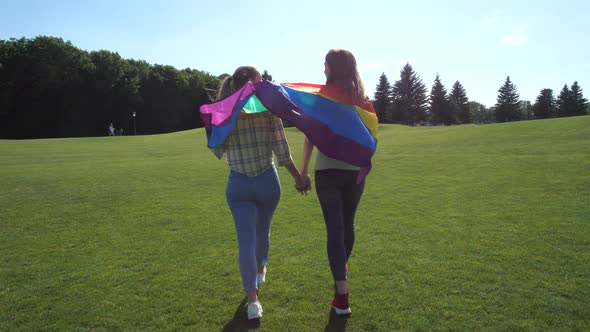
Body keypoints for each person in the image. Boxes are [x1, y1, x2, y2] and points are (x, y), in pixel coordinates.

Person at [212, 66, 309, 320]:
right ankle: (261, 269)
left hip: (238, 185)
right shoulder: (269, 109)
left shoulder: (224, 113)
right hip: (267, 180)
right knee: (262, 231)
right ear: (256, 84)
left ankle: (253, 303)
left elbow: (217, 150)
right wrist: (299, 179)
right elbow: (283, 153)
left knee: (246, 241)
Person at [299, 49, 376, 316]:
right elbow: (370, 135)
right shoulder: (362, 99)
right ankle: (341, 276)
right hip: (355, 171)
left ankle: (342, 295)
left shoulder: (323, 97)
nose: (323, 70)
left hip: (328, 171)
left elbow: (310, 134)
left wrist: (303, 169)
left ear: (333, 67)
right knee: (347, 223)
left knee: (335, 228)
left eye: (325, 65)